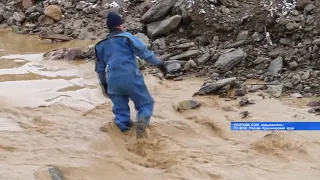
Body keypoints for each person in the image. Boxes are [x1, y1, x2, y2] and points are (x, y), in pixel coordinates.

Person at [94, 12, 167, 138]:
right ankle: (142, 124)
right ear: (120, 26)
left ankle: (124, 138)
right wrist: (159, 63)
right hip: (131, 78)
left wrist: (104, 85)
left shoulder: (100, 45)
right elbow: (144, 53)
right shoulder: (127, 37)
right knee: (146, 104)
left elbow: (99, 69)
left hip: (112, 82)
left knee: (121, 114)